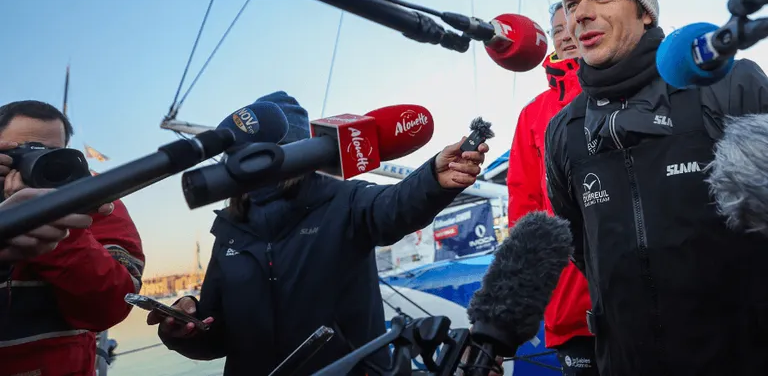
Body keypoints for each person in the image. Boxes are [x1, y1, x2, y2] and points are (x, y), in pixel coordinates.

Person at [545, 0, 768, 376]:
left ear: (645, 12)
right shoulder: (564, 130)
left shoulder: (729, 84)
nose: (581, 14)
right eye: (573, 3)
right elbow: (582, 250)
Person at [151, 91, 492, 376]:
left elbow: (394, 207)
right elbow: (216, 335)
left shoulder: (344, 200)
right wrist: (184, 330)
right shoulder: (229, 231)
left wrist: (432, 178)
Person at [0, 100, 145, 376]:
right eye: (22, 153)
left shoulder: (96, 198)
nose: (36, 163)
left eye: (51, 154)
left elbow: (113, 303)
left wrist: (58, 227)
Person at [507, 2, 597, 375]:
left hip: (646, 293)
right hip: (571, 305)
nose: (564, 33)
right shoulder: (532, 114)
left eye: (571, 24)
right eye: (556, 29)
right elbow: (524, 208)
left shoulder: (631, 88)